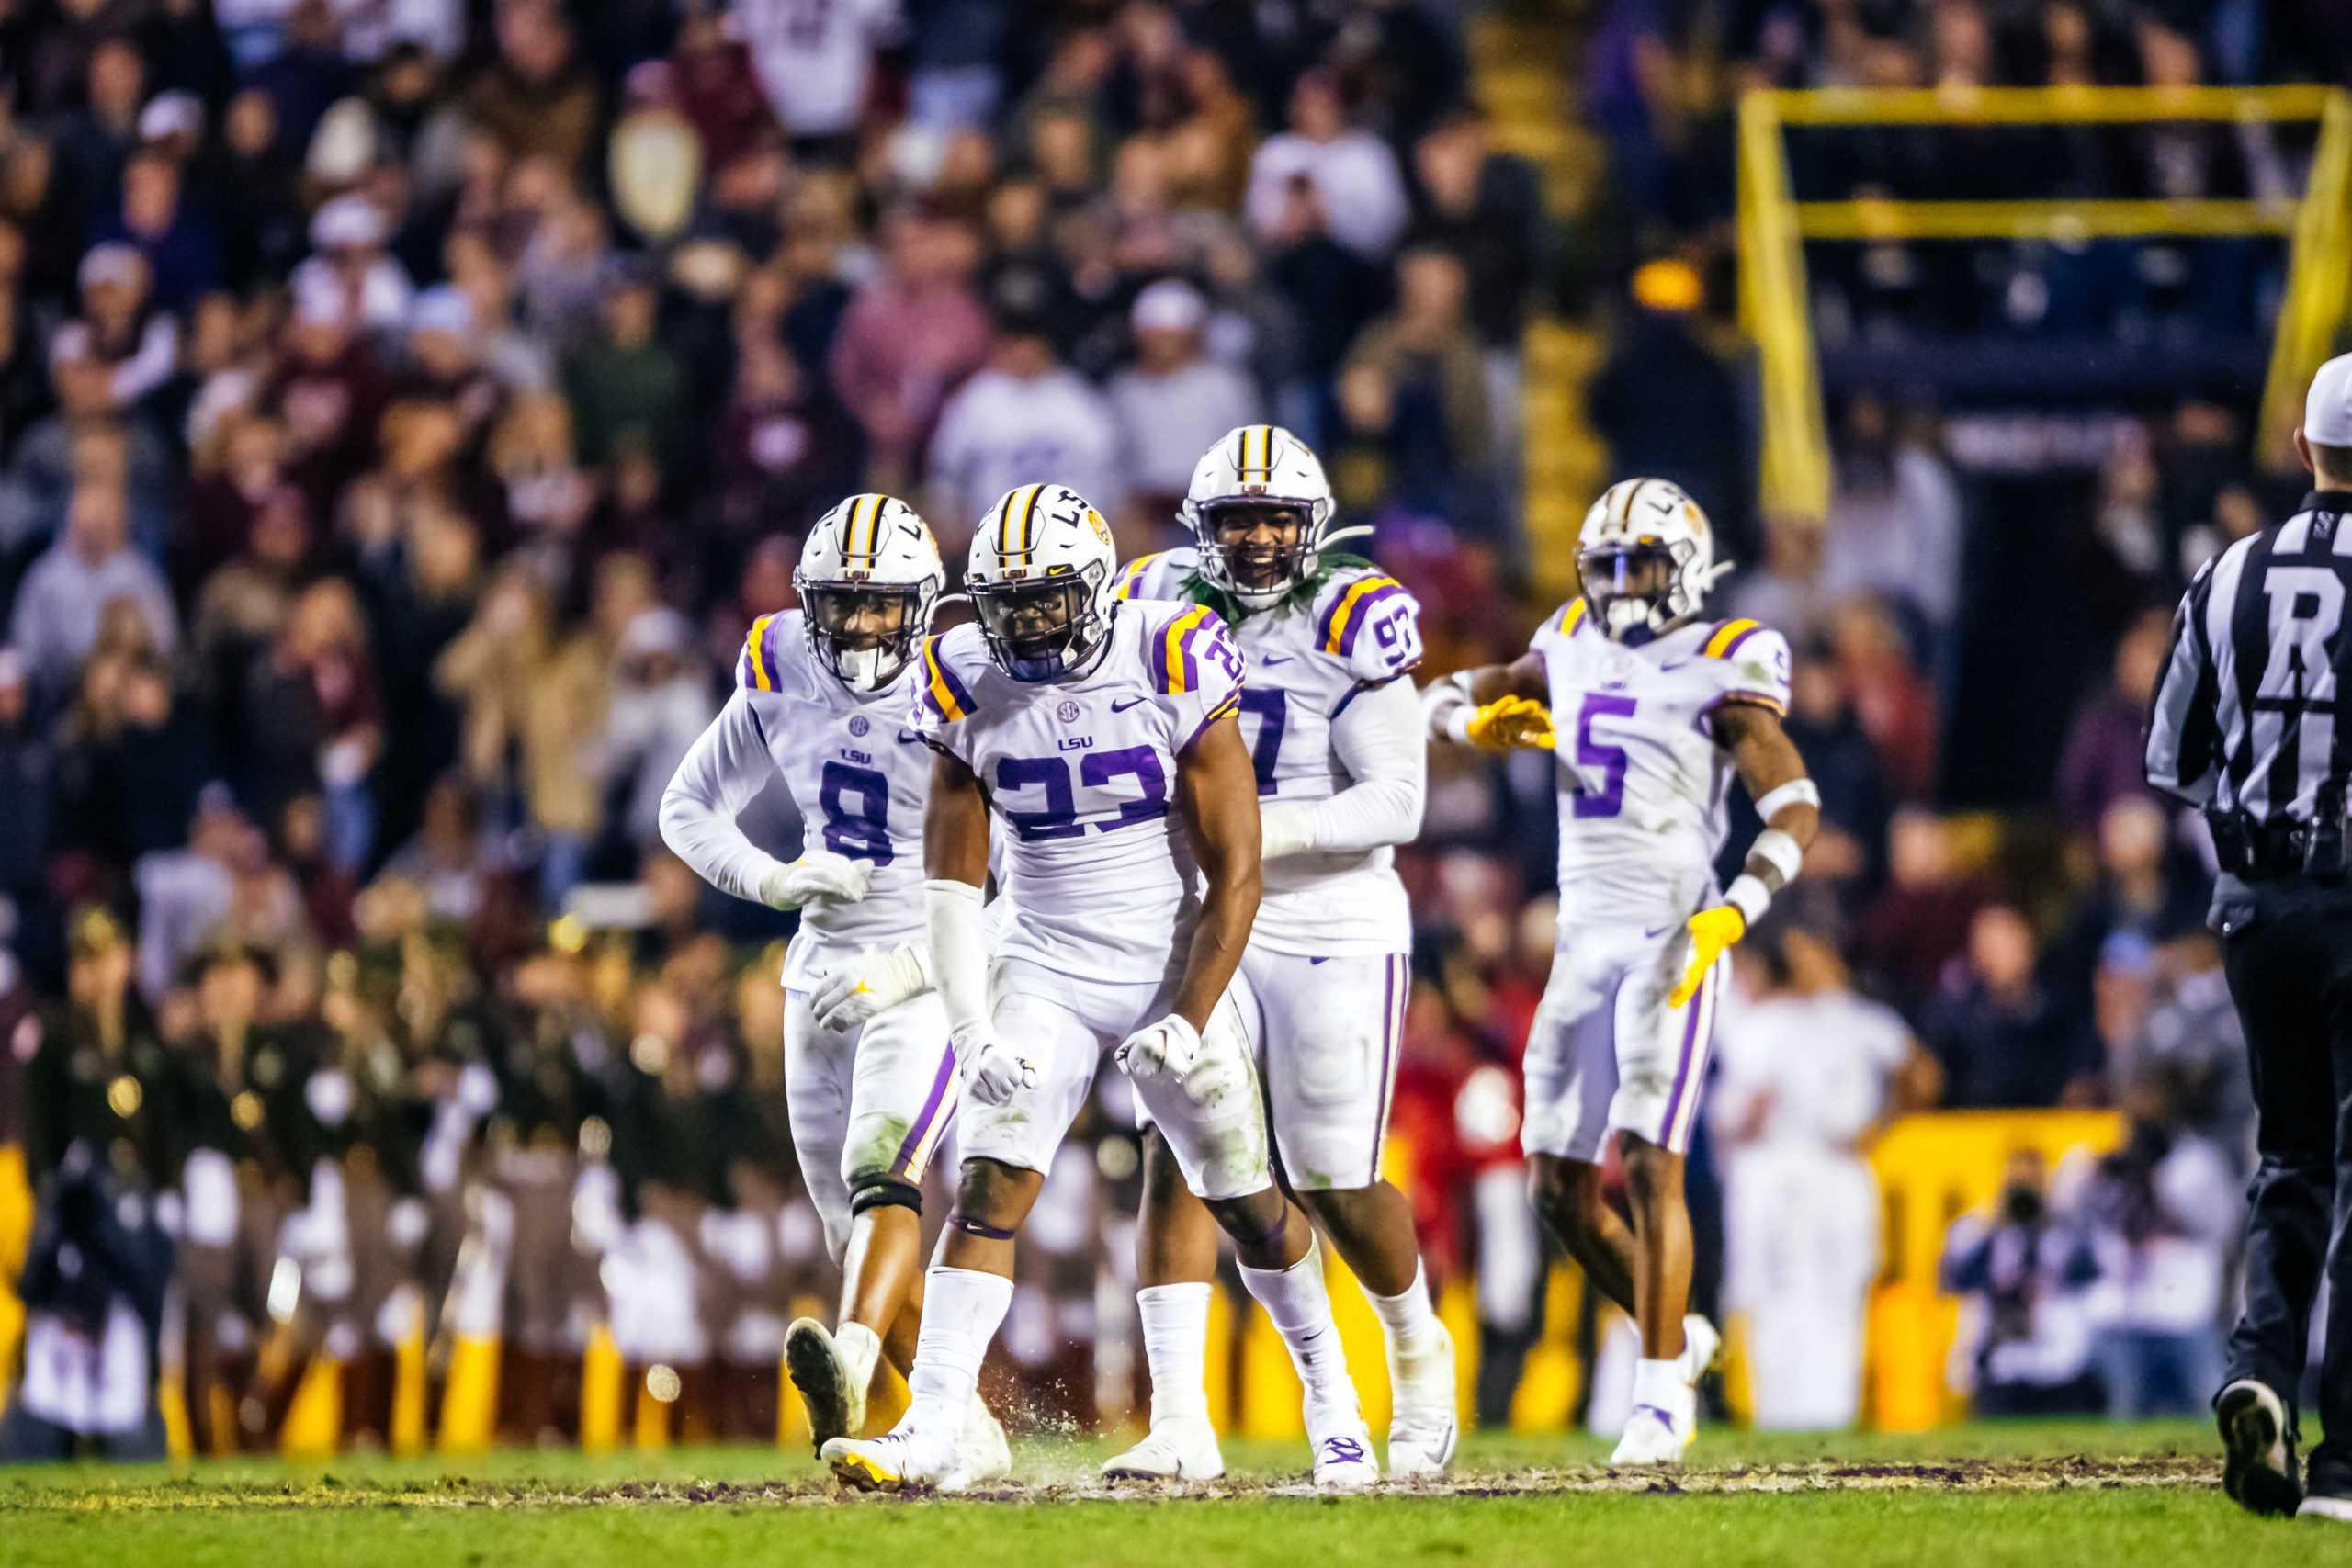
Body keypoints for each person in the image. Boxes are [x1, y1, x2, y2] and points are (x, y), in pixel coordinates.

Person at [820, 482, 1375, 1490]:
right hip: (1043, 958)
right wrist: (972, 1025)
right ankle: (935, 1424)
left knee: (1247, 1198)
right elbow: (949, 888)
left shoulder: (1169, 652)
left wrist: (1191, 1012)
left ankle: (1334, 1404)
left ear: (1097, 590)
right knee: (990, 1185)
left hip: (1172, 952)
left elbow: (1237, 869)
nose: (1027, 624)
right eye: (1009, 603)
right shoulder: (958, 676)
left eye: (1046, 599)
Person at [1421, 477, 1818, 1464]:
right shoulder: (1566, 640)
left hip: (1671, 939)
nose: (1619, 584)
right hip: (1582, 942)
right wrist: (1450, 713)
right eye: (1604, 566)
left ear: (1683, 565)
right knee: (1554, 1192)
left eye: (1637, 563)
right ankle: (1678, 1343)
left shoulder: (1724, 657)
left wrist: (1736, 909)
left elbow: (1795, 803)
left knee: (1649, 1158)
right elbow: (1476, 688)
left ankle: (1654, 1399)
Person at [1102, 425, 1456, 1481]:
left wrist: (1255, 837)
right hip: (1203, 913)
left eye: (1273, 519)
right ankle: (1177, 1420)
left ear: (1311, 526)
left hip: (1326, 917)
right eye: (1236, 519)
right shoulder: (1146, 598)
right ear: (1199, 527)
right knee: (1178, 1156)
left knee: (1333, 1177)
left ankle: (1414, 1352)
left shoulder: (1352, 615)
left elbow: (1398, 800)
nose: (1256, 540)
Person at [657, 493, 1007, 1477]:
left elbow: (1027, 873)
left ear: (925, 602)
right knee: (848, 1220)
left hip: (929, 959)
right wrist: (773, 879)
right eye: (840, 605)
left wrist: (910, 968)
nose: (857, 627)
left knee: (880, 1169)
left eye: (880, 604)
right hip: (819, 962)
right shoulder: (780, 663)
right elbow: (686, 810)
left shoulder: (971, 679)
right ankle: (962, 1424)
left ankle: (851, 1365)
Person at [2142, 351, 2352, 1521]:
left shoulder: (2230, 573)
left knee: (2290, 1159)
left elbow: (2168, 757)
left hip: (2256, 907)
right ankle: (2344, 1465)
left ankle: (2258, 1370)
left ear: (2306, 447)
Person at [1713, 910, 1939, 1430]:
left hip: (1836, 1169)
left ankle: (1830, 1415)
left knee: (1837, 1294)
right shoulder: (1762, 1022)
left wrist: (1882, 1124)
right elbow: (1736, 1113)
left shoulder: (1859, 1019)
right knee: (1771, 1296)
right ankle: (1777, 1417)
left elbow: (1921, 1073)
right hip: (1773, 1167)